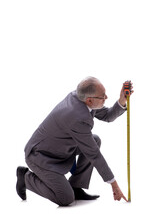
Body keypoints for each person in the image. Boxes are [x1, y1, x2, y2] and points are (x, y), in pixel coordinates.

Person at [16, 77, 133, 206]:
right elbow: (93, 154)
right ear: (89, 99)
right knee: (65, 199)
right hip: (40, 156)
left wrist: (122, 100)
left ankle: (76, 186)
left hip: (58, 147)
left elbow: (107, 115)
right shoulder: (77, 116)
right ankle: (26, 178)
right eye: (103, 96)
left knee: (95, 140)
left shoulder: (81, 97)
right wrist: (114, 185)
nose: (106, 97)